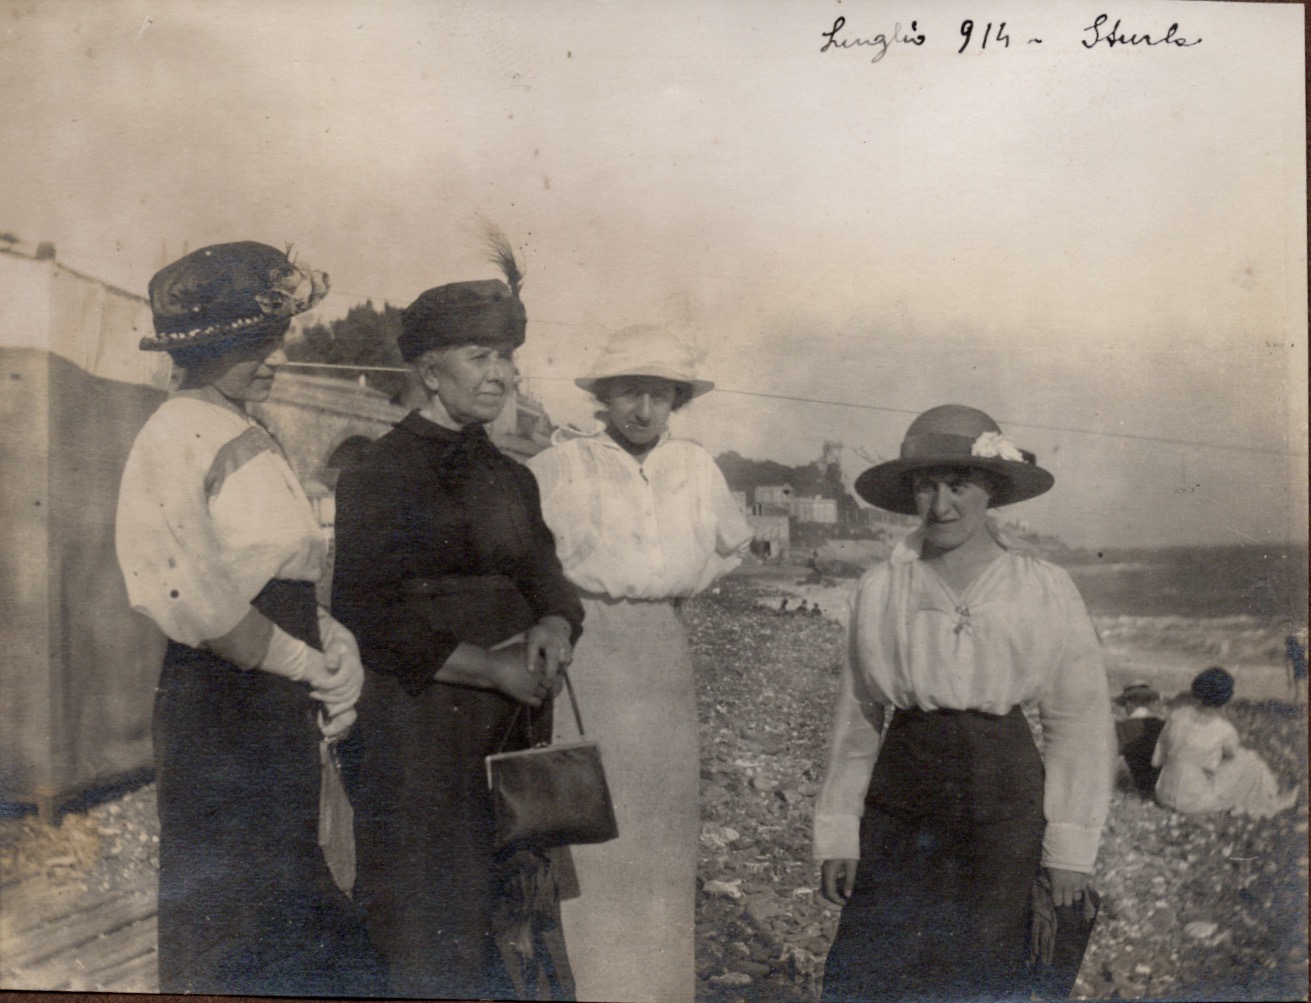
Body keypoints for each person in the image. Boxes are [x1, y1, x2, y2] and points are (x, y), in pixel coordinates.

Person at [115, 242, 377, 994]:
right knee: (233, 917)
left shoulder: (246, 429)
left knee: (290, 896)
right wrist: (304, 664)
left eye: (275, 341)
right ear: (204, 349)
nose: (274, 359)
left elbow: (278, 571)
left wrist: (335, 642)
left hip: (271, 693)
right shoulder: (174, 434)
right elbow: (192, 595)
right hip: (223, 703)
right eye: (256, 345)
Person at [331, 239, 585, 1000]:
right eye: (481, 355)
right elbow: (366, 613)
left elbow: (551, 580)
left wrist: (554, 626)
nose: (502, 374)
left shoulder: (511, 476)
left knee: (505, 917)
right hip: (416, 731)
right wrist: (493, 666)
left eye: (507, 355)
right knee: (423, 920)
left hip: (506, 731)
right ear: (428, 369)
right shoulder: (377, 473)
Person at [814, 404, 1116, 1003]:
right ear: (910, 493)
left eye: (959, 485)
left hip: (1005, 799)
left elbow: (1078, 720)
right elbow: (857, 720)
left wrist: (1071, 851)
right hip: (901, 799)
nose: (941, 505)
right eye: (927, 486)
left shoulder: (1042, 586)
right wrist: (838, 834)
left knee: (987, 964)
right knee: (876, 964)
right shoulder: (882, 589)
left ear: (992, 491)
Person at [527, 325, 753, 1003]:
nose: (643, 409)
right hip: (587, 646)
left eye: (658, 393)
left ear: (676, 398)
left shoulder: (695, 467)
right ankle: (593, 986)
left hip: (662, 649)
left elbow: (728, 548)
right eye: (629, 391)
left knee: (662, 831)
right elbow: (530, 559)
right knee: (593, 824)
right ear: (603, 396)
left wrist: (674, 596)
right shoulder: (563, 464)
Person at [1152, 666, 1299, 818]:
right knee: (1249, 760)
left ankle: (1268, 798)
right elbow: (1230, 757)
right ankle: (1272, 802)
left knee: (1198, 764)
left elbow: (1159, 758)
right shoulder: (1224, 729)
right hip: (1193, 803)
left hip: (1163, 795)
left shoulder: (1176, 716)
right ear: (1226, 698)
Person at [1113, 681, 1166, 797]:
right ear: (1150, 703)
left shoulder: (1122, 728)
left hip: (1140, 784)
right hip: (1163, 784)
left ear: (1128, 704)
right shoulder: (1163, 725)